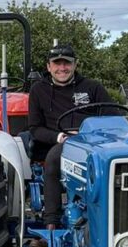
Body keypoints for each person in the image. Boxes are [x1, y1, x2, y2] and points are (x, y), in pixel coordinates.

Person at [26, 43, 113, 229]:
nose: (62, 68)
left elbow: (113, 116)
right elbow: (35, 128)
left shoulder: (92, 87)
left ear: (75, 65)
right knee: (54, 158)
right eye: (57, 64)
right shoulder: (38, 90)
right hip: (57, 142)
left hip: (91, 141)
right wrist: (59, 137)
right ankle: (52, 222)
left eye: (67, 63)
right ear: (49, 67)